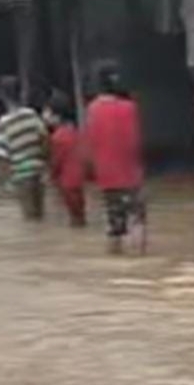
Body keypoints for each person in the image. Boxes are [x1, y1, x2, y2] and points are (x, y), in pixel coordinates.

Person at [85, 66, 146, 255]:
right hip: (132, 175)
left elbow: (91, 143)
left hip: (107, 178)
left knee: (114, 225)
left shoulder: (93, 109)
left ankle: (115, 261)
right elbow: (135, 141)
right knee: (137, 220)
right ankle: (141, 261)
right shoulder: (130, 108)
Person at [0, 76, 49, 221]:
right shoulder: (31, 115)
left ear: (1, 96)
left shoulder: (3, 123)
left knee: (30, 219)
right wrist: (44, 165)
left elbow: (2, 156)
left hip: (21, 176)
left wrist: (7, 181)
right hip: (38, 172)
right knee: (40, 215)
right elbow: (44, 139)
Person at [44, 91, 86, 228]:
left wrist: (49, 177)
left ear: (56, 115)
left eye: (47, 112)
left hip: (67, 183)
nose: (44, 116)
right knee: (80, 217)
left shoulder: (57, 137)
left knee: (75, 220)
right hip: (78, 180)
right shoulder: (73, 131)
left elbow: (56, 163)